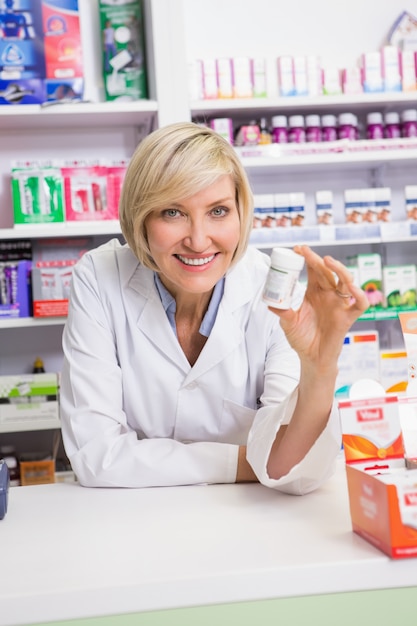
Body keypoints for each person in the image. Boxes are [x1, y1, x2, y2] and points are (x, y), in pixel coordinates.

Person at [60, 121, 368, 492]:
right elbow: (98, 457)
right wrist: (247, 460)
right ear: (140, 218)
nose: (198, 240)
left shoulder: (270, 289)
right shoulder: (99, 276)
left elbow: (297, 473)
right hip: (132, 520)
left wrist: (320, 367)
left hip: (250, 522)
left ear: (241, 212)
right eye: (172, 212)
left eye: (218, 211)